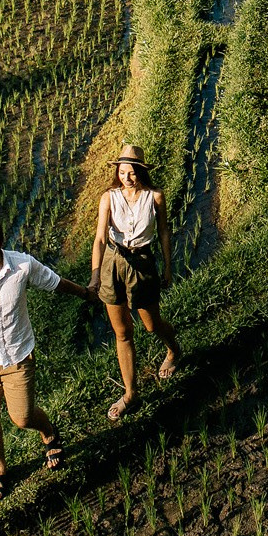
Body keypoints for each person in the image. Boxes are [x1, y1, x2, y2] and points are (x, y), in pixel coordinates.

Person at [0, 216, 92, 500]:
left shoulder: (22, 265)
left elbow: (55, 282)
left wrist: (85, 293)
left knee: (22, 417)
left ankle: (48, 432)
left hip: (18, 357)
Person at [93, 143, 182, 421]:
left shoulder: (155, 197)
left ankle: (174, 349)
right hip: (113, 261)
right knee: (122, 332)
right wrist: (96, 274)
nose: (127, 178)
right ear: (117, 172)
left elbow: (164, 231)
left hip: (142, 262)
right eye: (122, 172)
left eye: (132, 173)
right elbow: (99, 238)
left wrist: (167, 266)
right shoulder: (109, 197)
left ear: (141, 172)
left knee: (150, 323)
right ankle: (130, 394)